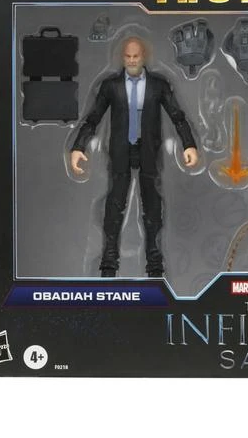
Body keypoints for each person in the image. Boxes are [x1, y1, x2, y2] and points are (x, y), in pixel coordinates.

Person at [70, 37, 199, 277]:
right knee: (114, 205)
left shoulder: (158, 85)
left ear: (143, 57)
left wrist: (189, 145)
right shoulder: (111, 86)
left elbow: (177, 116)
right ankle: (109, 261)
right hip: (120, 151)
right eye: (128, 57)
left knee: (152, 206)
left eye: (135, 56)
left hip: (149, 150)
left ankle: (154, 262)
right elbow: (93, 118)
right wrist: (79, 147)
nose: (131, 61)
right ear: (122, 58)